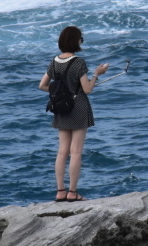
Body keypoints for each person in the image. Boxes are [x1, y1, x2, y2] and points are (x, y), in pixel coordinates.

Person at [39, 26, 109, 202]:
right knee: (76, 152)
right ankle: (72, 193)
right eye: (80, 39)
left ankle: (60, 191)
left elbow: (43, 85)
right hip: (78, 107)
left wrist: (60, 93)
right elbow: (87, 89)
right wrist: (97, 74)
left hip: (61, 109)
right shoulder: (78, 62)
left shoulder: (54, 61)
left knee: (62, 152)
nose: (81, 41)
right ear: (75, 41)